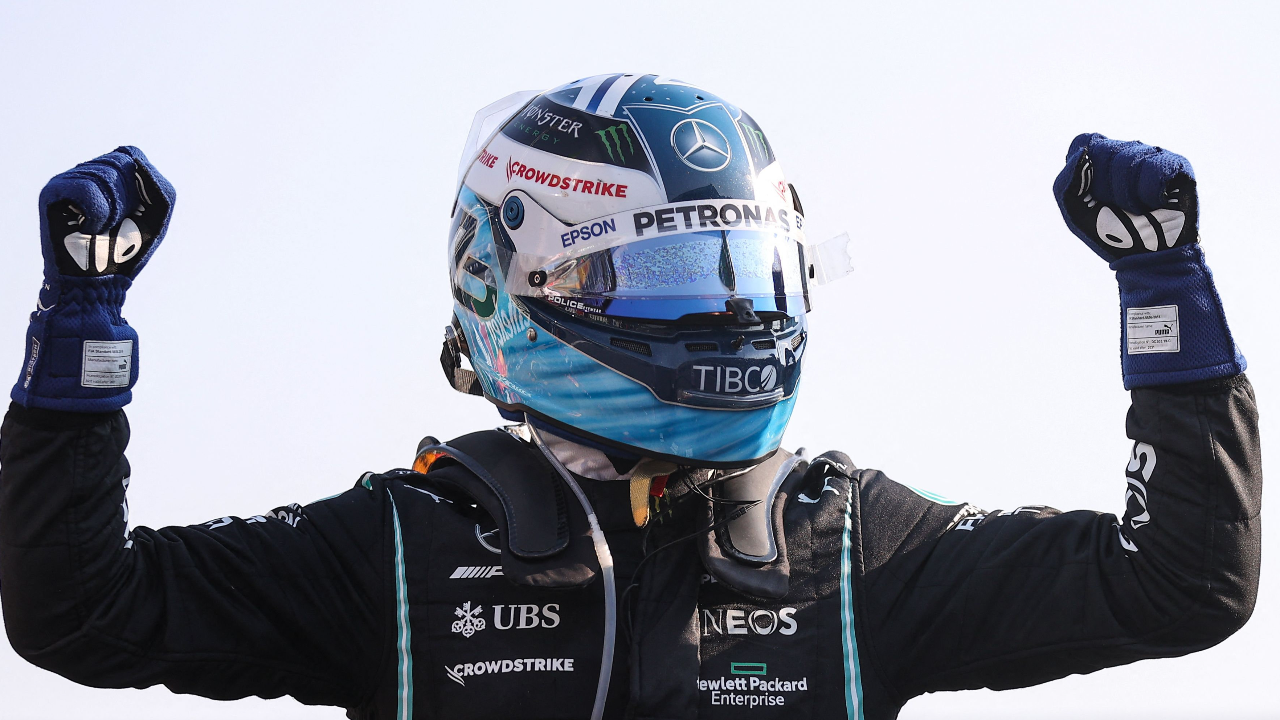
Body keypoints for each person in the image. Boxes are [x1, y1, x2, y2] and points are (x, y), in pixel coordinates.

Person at [0, 74, 1261, 720]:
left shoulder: (848, 545)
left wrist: (1164, 296)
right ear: (506, 285)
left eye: (740, 272)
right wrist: (82, 339)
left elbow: (1179, 586)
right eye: (663, 277)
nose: (724, 315)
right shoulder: (398, 547)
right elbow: (79, 611)